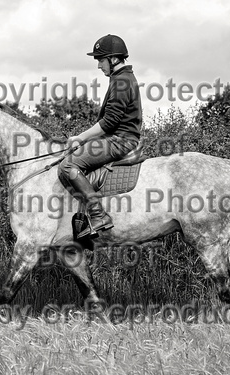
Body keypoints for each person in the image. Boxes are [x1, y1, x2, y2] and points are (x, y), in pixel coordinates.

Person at [58, 34, 142, 239]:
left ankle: (98, 215)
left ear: (113, 59)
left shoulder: (121, 81)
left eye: (100, 60)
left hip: (120, 140)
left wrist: (80, 137)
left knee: (68, 166)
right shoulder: (121, 79)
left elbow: (110, 122)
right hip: (117, 137)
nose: (98, 65)